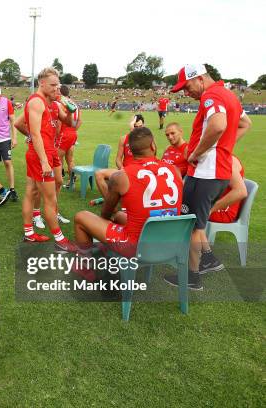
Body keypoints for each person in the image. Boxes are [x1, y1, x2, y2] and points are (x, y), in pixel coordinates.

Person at [165, 63, 252, 288]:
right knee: (199, 222)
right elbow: (245, 123)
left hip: (206, 173)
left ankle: (192, 277)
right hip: (214, 171)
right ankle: (209, 259)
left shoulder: (211, 95)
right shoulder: (228, 94)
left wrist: (197, 153)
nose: (186, 92)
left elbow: (218, 125)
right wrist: (223, 148)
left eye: (187, 86)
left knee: (191, 223)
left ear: (200, 78)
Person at [73, 127, 183, 278]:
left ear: (130, 150)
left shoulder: (122, 176)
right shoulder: (174, 170)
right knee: (119, 216)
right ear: (153, 146)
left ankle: (85, 266)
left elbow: (105, 213)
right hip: (170, 242)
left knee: (81, 217)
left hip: (136, 246)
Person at [20, 67, 74, 251]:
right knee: (48, 199)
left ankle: (29, 233)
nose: (55, 88)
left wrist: (69, 110)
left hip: (50, 151)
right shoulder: (36, 102)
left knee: (39, 189)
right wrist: (43, 160)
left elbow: (71, 124)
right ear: (41, 83)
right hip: (40, 155)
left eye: (57, 85)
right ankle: (60, 240)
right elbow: (35, 134)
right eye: (52, 85)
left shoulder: (51, 102)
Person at [93, 114, 145, 203]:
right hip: (124, 170)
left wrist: (132, 129)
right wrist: (122, 168)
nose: (138, 129)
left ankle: (115, 200)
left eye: (140, 126)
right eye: (135, 127)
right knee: (99, 174)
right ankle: (111, 205)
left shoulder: (146, 138)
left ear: (144, 125)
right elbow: (118, 158)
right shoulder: (124, 138)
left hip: (139, 172)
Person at [57, 85, 81, 188]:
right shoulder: (74, 104)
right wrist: (73, 131)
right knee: (70, 159)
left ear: (60, 92)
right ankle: (71, 182)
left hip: (64, 133)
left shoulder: (62, 103)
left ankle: (57, 182)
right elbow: (80, 121)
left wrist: (57, 135)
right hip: (72, 134)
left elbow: (59, 122)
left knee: (57, 158)